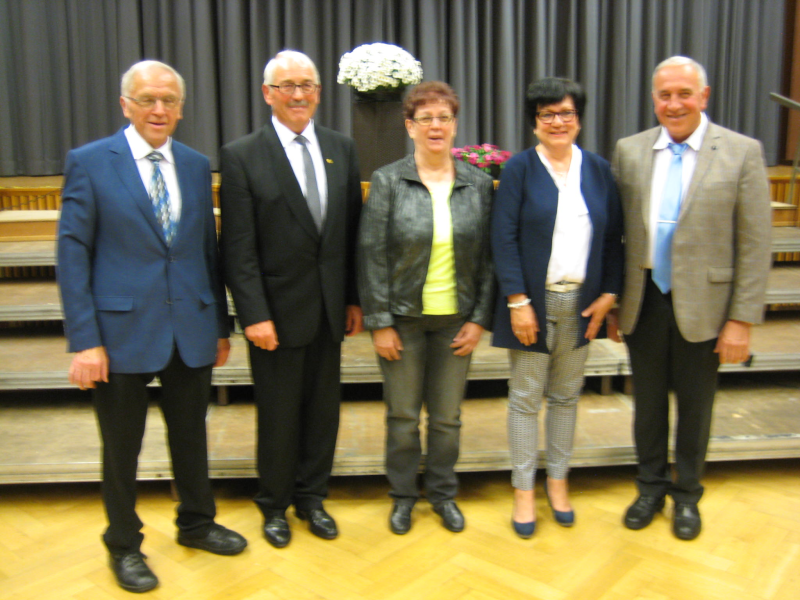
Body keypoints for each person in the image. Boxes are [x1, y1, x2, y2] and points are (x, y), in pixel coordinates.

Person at [57, 60, 246, 593]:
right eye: (147, 99)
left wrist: (221, 325)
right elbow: (73, 254)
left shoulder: (193, 164)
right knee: (122, 448)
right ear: (126, 105)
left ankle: (197, 523)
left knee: (191, 438)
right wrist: (85, 339)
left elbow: (206, 251)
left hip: (190, 328)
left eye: (168, 100)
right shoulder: (90, 162)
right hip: (118, 338)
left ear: (181, 109)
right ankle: (123, 543)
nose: (158, 109)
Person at [612, 56, 772, 540]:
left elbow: (755, 241)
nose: (674, 103)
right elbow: (616, 234)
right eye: (665, 94)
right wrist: (616, 300)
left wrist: (741, 320)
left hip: (708, 307)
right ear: (654, 99)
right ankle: (649, 488)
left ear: (703, 97)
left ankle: (687, 496)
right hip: (645, 300)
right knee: (648, 408)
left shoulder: (742, 152)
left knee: (697, 408)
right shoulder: (630, 150)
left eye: (684, 93)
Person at [219, 50, 363, 548]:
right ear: (268, 94)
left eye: (307, 84)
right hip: (275, 318)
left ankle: (312, 498)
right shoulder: (242, 155)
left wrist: (352, 299)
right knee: (278, 417)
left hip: (328, 311)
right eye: (287, 86)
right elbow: (237, 248)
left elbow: (349, 233)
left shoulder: (341, 148)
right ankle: (274, 505)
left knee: (324, 413)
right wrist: (253, 314)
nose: (299, 94)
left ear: (320, 92)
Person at [357, 81, 494, 535]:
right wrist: (379, 322)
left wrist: (478, 320)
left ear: (455, 126)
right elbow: (372, 254)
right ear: (409, 126)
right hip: (403, 321)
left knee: (447, 418)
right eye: (425, 119)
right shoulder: (388, 180)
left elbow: (490, 259)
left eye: (444, 118)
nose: (436, 126)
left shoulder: (477, 183)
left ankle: (442, 493)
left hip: (456, 321)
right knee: (401, 417)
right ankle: (401, 497)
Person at [491, 77, 623, 538]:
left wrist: (609, 293)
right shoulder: (519, 170)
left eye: (566, 113)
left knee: (566, 396)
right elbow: (502, 238)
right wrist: (517, 301)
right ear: (534, 123)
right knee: (526, 399)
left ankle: (559, 481)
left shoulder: (600, 170)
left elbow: (613, 239)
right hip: (533, 301)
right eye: (547, 114)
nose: (557, 122)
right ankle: (523, 488)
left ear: (579, 118)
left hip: (583, 303)